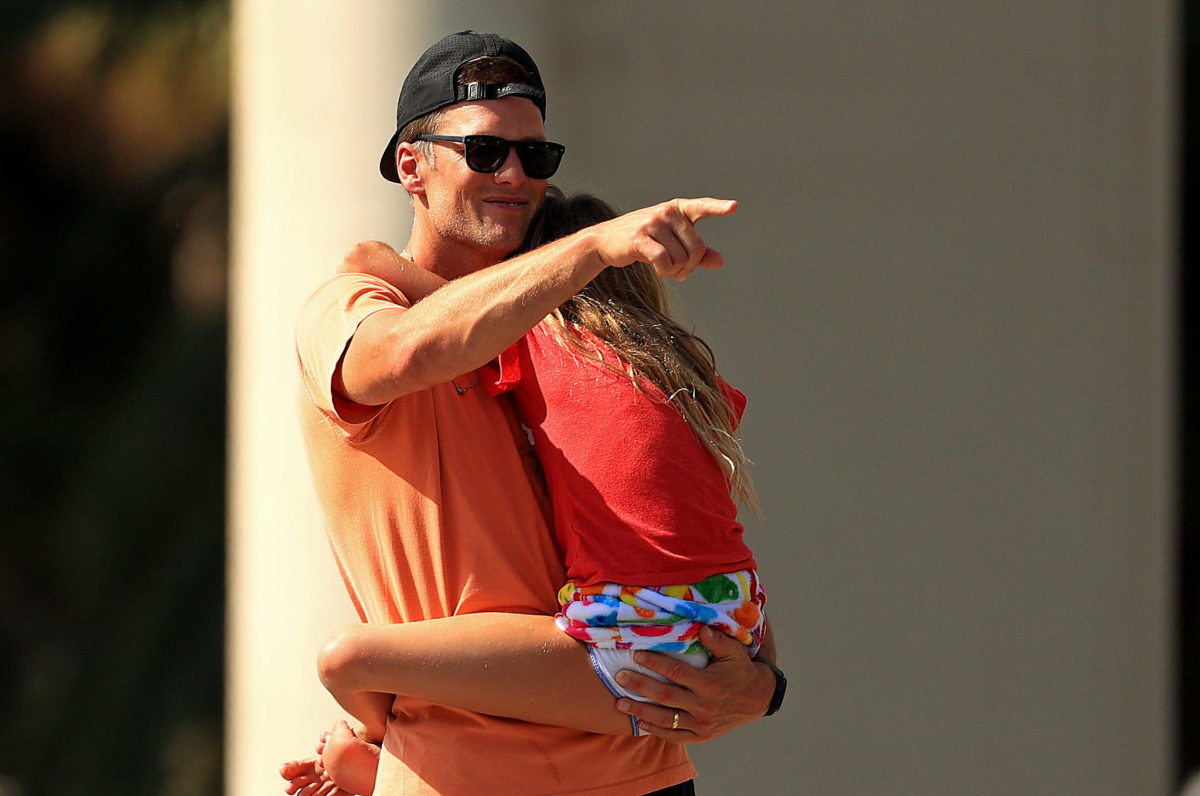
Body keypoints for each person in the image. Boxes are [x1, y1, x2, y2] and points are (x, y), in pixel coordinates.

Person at [281, 31, 784, 796]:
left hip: (644, 779)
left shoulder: (575, 338)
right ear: (411, 166)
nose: (516, 175)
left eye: (535, 158)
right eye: (485, 153)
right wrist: (591, 250)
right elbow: (413, 353)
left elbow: (688, 544)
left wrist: (763, 683)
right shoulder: (351, 307)